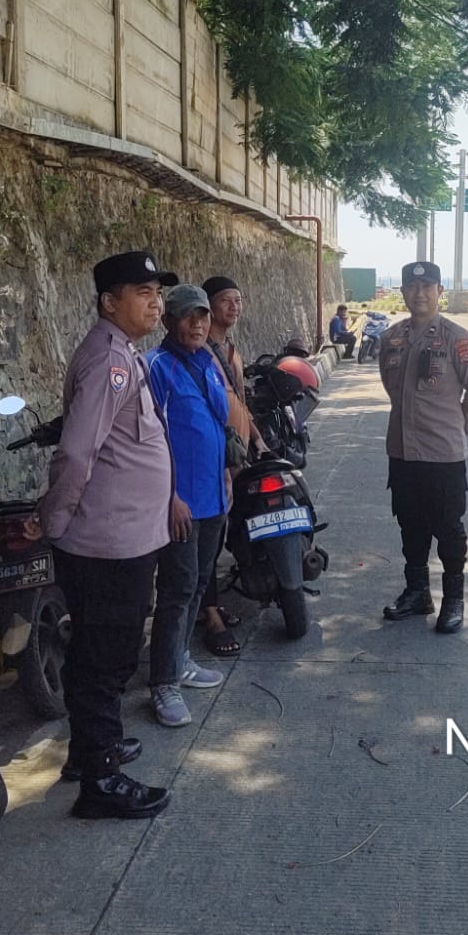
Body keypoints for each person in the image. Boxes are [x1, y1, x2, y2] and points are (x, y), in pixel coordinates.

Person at [38, 250, 176, 818]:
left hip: (125, 538)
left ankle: (91, 749)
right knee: (107, 660)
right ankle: (101, 781)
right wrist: (55, 519)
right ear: (109, 302)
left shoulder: (122, 353)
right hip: (107, 544)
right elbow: (76, 454)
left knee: (100, 653)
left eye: (157, 292)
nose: (156, 303)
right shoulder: (108, 362)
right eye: (142, 292)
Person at [378, 261, 468, 634]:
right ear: (403, 292)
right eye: (412, 287)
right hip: (402, 451)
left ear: (440, 291)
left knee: (448, 529)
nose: (420, 293)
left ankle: (453, 600)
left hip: (443, 455)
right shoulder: (391, 338)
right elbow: (391, 387)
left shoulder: (458, 340)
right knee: (410, 524)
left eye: (428, 286)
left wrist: (458, 428)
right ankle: (417, 593)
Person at [145, 285, 231, 727]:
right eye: (188, 317)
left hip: (213, 496)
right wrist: (170, 495)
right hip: (181, 502)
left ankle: (179, 659)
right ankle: (163, 683)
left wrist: (225, 472)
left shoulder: (207, 362)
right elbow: (152, 439)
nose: (197, 324)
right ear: (168, 322)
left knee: (198, 584)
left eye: (202, 316)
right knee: (176, 591)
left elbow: (216, 422)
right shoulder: (156, 367)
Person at [200, 275, 253, 655]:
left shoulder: (231, 349)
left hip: (238, 453)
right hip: (214, 460)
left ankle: (213, 603)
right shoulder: (199, 352)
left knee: (225, 532)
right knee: (209, 539)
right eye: (225, 300)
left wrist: (258, 439)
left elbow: (242, 402)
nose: (234, 307)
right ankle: (210, 615)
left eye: (238, 300)